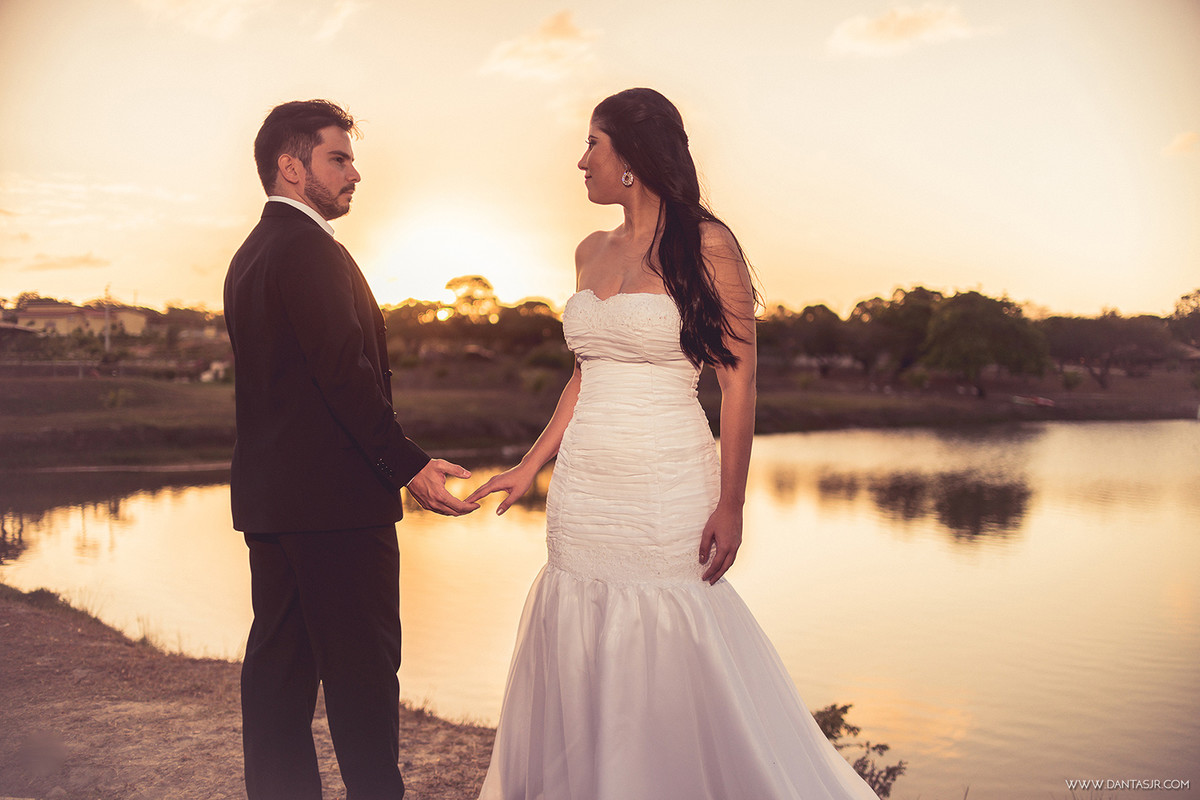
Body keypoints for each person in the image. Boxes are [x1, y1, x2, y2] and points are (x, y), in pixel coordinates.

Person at [467, 88, 880, 799]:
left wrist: (732, 505)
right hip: (586, 490)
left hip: (666, 484)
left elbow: (739, 381)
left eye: (592, 144)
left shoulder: (706, 245)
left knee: (667, 630)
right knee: (580, 623)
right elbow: (581, 378)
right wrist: (529, 467)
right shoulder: (588, 250)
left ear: (631, 154)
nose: (581, 161)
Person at [223, 99, 478, 800]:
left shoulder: (251, 254)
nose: (354, 173)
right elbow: (343, 373)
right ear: (290, 165)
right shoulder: (307, 249)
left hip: (275, 505)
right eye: (338, 158)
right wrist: (410, 465)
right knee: (363, 678)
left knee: (278, 676)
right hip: (336, 508)